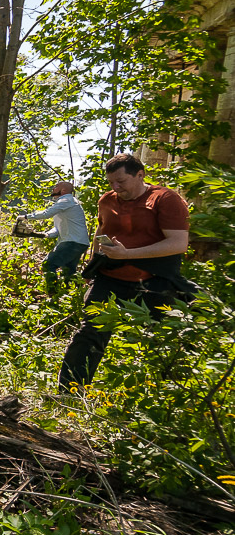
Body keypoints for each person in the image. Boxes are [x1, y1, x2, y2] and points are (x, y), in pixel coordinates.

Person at [59, 153, 195, 393]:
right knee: (90, 333)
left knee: (164, 340)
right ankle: (70, 392)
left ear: (140, 174)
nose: (115, 187)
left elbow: (178, 243)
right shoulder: (107, 200)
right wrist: (93, 264)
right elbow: (101, 232)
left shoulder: (165, 199)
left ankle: (169, 395)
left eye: (120, 181)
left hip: (155, 281)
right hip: (110, 278)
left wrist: (128, 255)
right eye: (111, 182)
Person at [21, 180, 90, 288]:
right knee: (68, 271)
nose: (53, 188)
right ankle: (71, 297)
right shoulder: (67, 203)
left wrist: (25, 217)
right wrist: (45, 234)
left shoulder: (66, 200)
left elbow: (46, 214)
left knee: (48, 264)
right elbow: (58, 229)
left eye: (56, 186)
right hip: (79, 242)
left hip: (72, 242)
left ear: (63, 190)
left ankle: (53, 292)